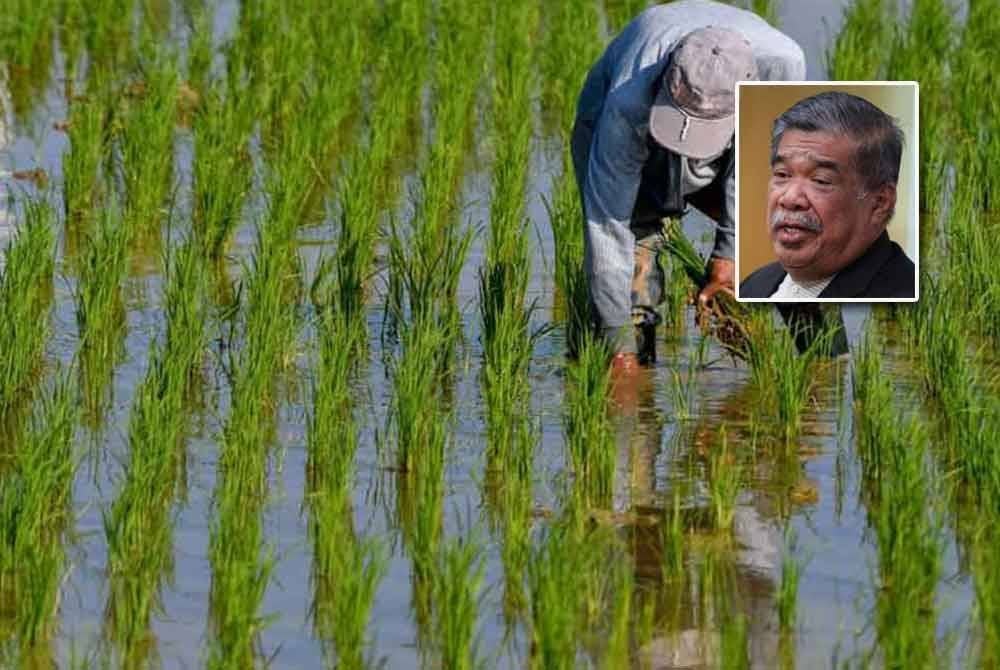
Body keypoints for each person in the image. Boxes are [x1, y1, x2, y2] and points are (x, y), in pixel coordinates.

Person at [572, 0, 805, 372]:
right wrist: (618, 347)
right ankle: (632, 351)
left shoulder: (782, 66)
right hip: (636, 128)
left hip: (737, 134)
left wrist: (728, 256)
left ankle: (824, 360)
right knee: (635, 243)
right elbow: (607, 226)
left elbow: (760, 165)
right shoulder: (624, 104)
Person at [739, 91, 915, 299]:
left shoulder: (900, 297)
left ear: (879, 203)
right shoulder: (755, 285)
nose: (789, 198)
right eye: (782, 174)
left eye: (820, 180)